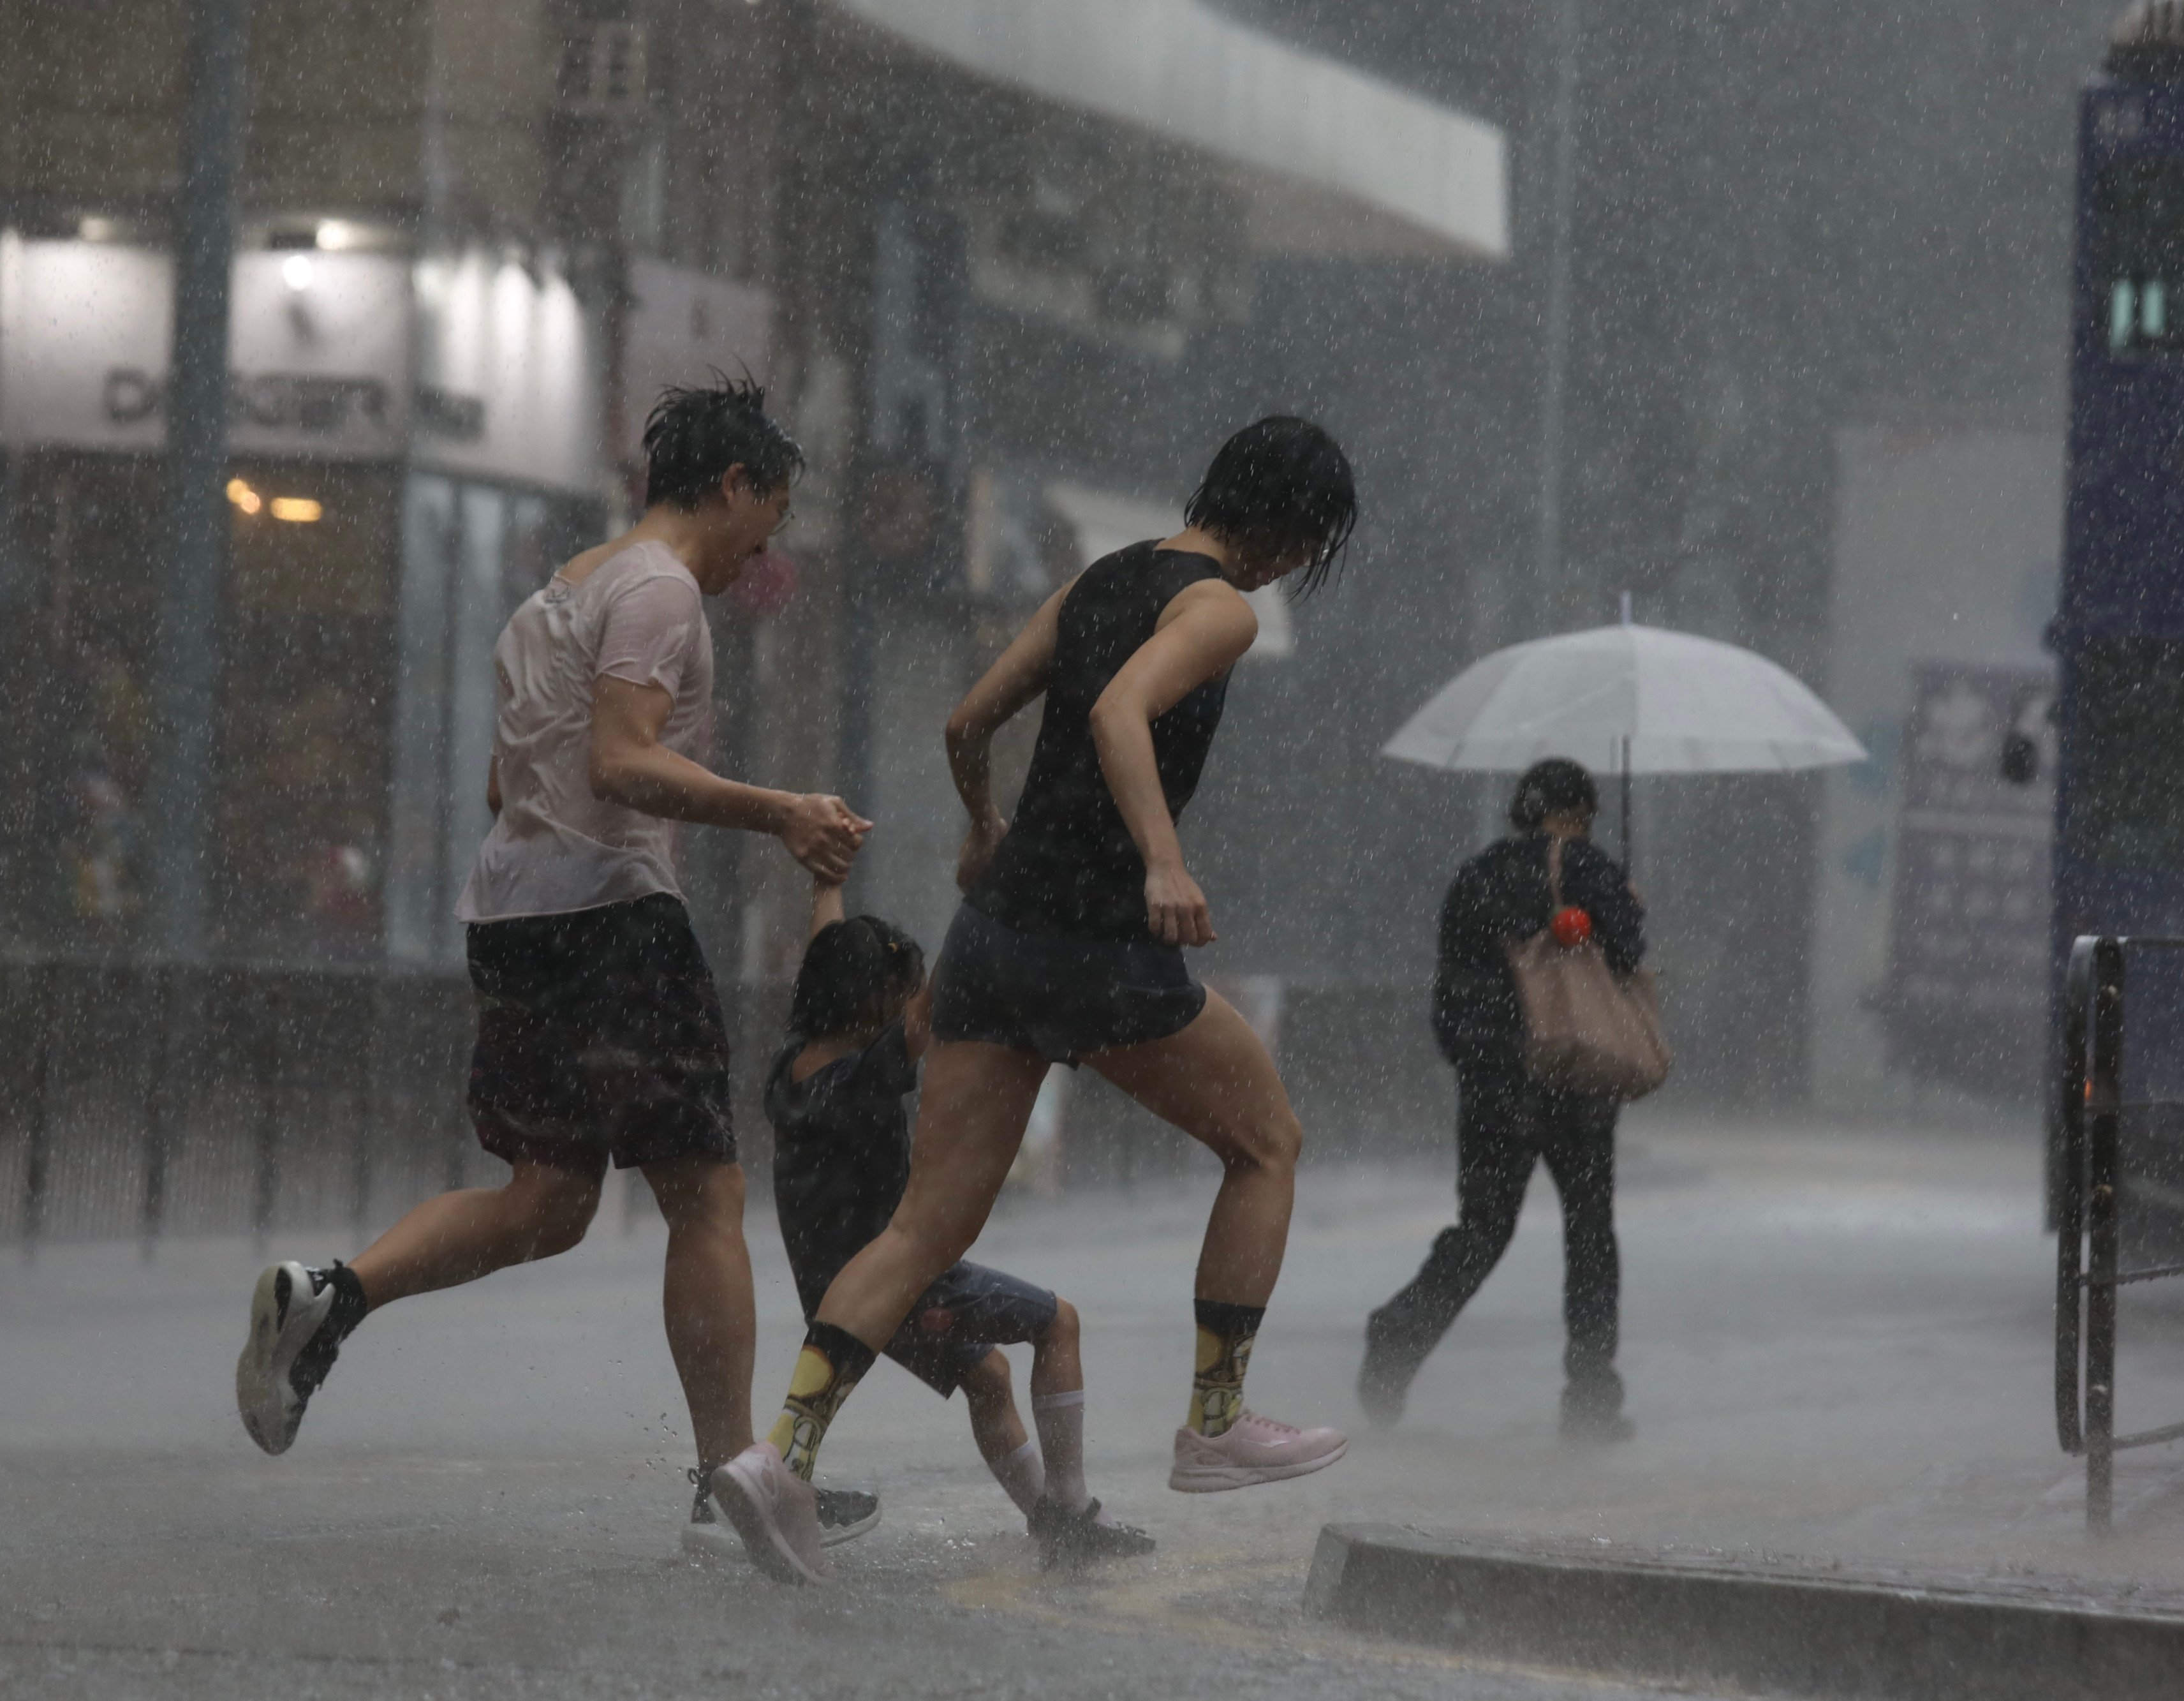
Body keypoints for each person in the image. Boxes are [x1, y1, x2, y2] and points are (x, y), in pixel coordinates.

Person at [706, 416, 1361, 1584]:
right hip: (1097, 944)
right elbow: (1117, 715)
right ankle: (1215, 1420)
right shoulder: (1219, 609)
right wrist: (1162, 857)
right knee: (1268, 1141)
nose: (1292, 569)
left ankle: (781, 1454)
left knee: (921, 1230)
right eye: (1308, 546)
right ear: (1289, 530)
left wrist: (983, 823)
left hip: (995, 937)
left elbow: (968, 721)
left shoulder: (1098, 579)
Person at [233, 379, 882, 1543]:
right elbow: (626, 763)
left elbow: (506, 782)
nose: (758, 558)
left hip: (516, 915)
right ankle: (732, 1481)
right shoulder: (658, 590)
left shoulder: (555, 597)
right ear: (731, 486)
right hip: (614, 915)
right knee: (708, 1192)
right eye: (765, 523)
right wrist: (781, 811)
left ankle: (333, 1301)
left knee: (550, 1202)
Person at [706, 873, 1155, 1568]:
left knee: (989, 1376)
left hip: (831, 1293)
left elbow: (832, 948)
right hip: (902, 1281)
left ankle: (1049, 1522)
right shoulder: (866, 1072)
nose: (907, 1004)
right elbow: (929, 1011)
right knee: (1058, 1320)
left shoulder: (792, 1061)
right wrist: (985, 900)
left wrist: (827, 882)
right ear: (874, 1001)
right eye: (898, 990)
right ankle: (1072, 1511)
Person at [1356, 756, 1646, 1441]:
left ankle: (1399, 1333)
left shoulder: (1477, 875)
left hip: (1493, 1083)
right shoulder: (1594, 870)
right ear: (1578, 811)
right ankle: (1590, 1397)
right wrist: (1625, 909)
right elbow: (1629, 963)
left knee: (1483, 1229)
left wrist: (1482, 1061)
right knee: (1590, 1233)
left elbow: (1450, 993)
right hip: (1576, 1081)